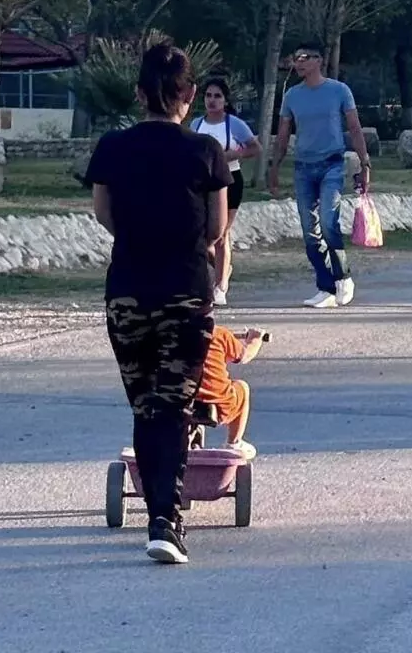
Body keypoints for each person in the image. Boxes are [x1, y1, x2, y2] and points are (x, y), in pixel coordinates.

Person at [84, 42, 230, 566]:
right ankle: (165, 520)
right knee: (174, 406)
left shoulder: (112, 147)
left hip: (127, 291)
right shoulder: (205, 151)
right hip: (184, 291)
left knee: (146, 406)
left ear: (139, 93)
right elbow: (216, 228)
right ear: (189, 95)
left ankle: (159, 515)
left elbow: (103, 213)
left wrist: (139, 237)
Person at [266, 47, 372, 310]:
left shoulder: (339, 90)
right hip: (303, 167)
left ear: (318, 61)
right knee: (309, 232)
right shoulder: (292, 95)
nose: (299, 63)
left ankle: (343, 276)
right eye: (296, 59)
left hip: (332, 164)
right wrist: (274, 167)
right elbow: (283, 134)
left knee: (328, 222)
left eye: (304, 58)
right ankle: (325, 287)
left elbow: (354, 127)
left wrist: (364, 162)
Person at [190, 78, 260, 307]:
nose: (212, 100)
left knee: (221, 234)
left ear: (225, 100)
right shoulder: (196, 125)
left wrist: (233, 154)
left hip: (230, 181)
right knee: (202, 235)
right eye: (208, 95)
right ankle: (219, 270)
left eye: (217, 96)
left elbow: (255, 148)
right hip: (202, 183)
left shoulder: (235, 124)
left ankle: (220, 286)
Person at [196, 323, 268, 456]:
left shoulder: (161, 334)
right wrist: (255, 339)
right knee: (241, 387)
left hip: (172, 402)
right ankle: (234, 442)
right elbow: (245, 355)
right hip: (219, 404)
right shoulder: (218, 334)